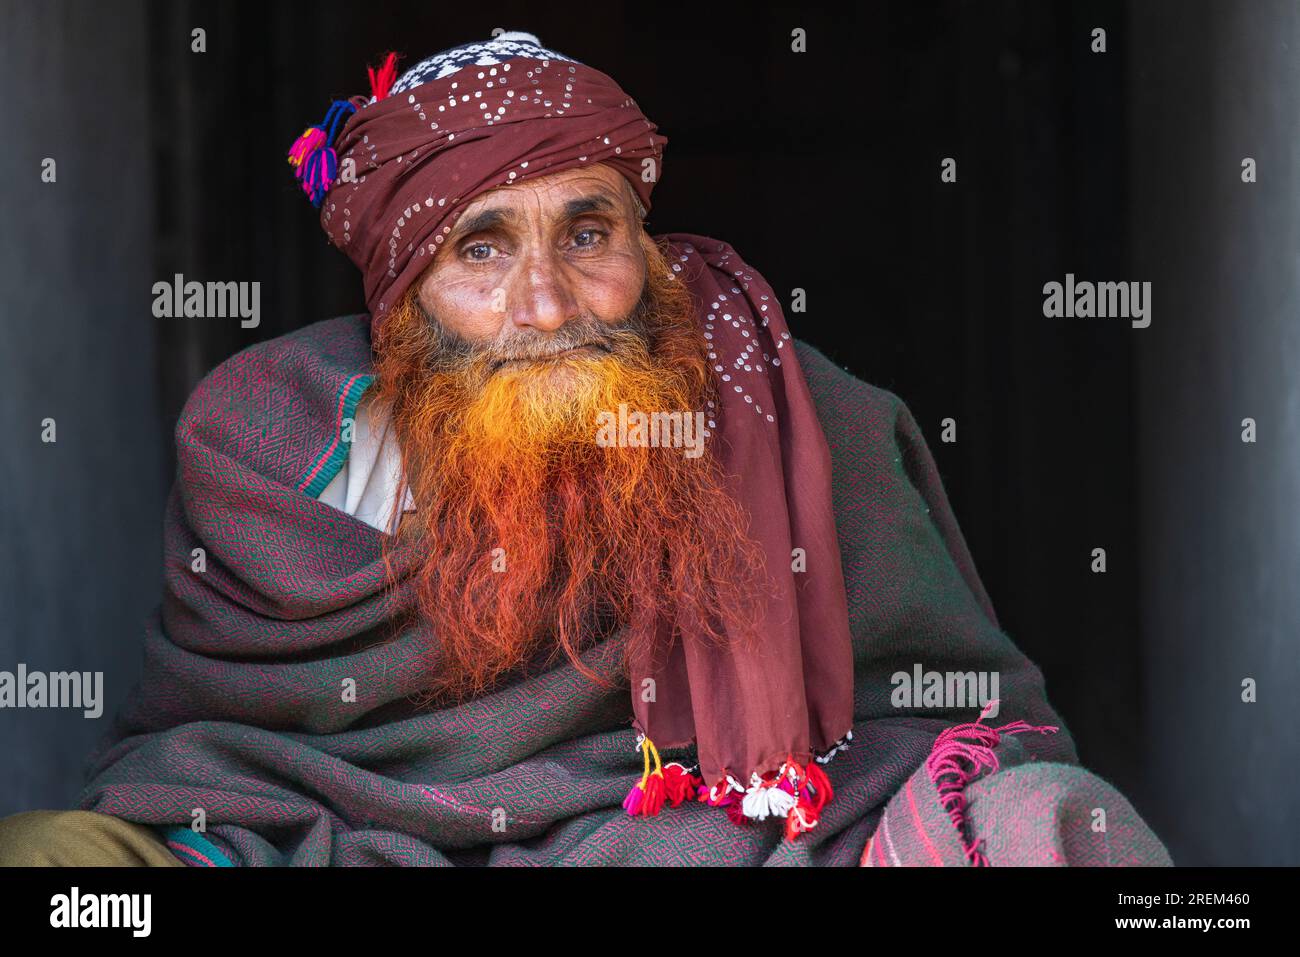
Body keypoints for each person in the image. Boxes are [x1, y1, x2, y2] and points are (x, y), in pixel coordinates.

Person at [0, 31, 1170, 867]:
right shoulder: (267, 445)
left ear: (651, 254)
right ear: (401, 301)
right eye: (482, 250)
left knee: (1055, 828)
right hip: (313, 843)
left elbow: (941, 709)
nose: (548, 303)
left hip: (719, 837)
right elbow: (218, 747)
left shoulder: (795, 414)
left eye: (589, 232)